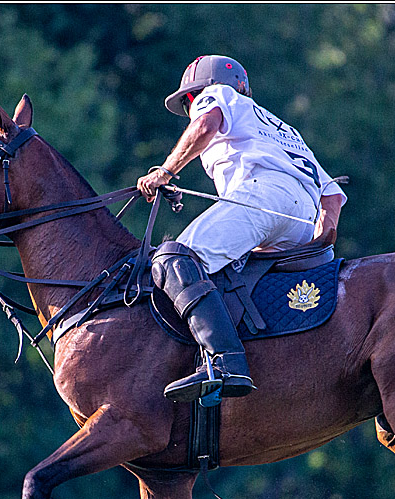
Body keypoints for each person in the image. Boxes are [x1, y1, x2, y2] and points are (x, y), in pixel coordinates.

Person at [138, 55, 346, 403]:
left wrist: (166, 171)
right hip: (300, 220)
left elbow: (204, 126)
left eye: (188, 101)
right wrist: (318, 249)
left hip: (261, 196)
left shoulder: (218, 94)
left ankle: (225, 363)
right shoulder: (286, 131)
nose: (189, 108)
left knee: (174, 260)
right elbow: (333, 200)